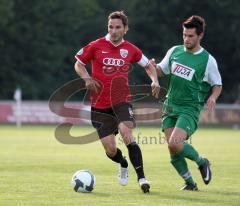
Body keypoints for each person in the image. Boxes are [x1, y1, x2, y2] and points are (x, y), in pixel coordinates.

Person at [74, 11, 160, 193]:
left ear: (126, 29)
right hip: (99, 106)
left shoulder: (131, 49)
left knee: (126, 132)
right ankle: (123, 162)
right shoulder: (96, 45)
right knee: (111, 150)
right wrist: (87, 78)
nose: (113, 31)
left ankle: (142, 178)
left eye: (117, 27)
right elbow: (78, 63)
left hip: (122, 102)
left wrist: (155, 80)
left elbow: (148, 65)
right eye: (110, 27)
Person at [151, 15, 222, 190]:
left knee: (175, 143)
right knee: (173, 149)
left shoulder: (207, 60)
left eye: (190, 36)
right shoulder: (175, 51)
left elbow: (217, 84)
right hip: (170, 105)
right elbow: (161, 70)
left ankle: (202, 162)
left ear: (200, 36)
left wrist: (213, 97)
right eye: (184, 35)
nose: (186, 39)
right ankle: (190, 183)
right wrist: (153, 66)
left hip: (190, 108)